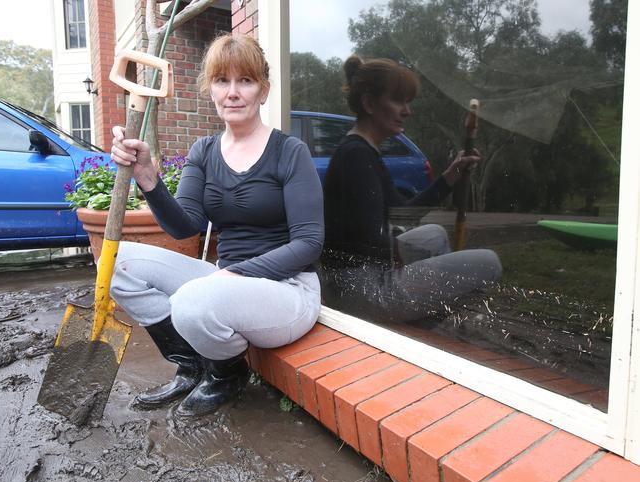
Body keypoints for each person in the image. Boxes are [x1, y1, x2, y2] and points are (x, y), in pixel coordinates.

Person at [108, 34, 323, 416]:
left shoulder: (290, 152)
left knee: (193, 301)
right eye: (222, 81)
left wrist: (234, 274)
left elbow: (309, 242)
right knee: (116, 264)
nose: (233, 93)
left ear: (264, 91)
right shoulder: (204, 152)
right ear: (210, 90)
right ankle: (192, 365)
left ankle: (227, 373)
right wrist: (146, 176)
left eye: (246, 81)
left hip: (288, 289)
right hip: (224, 282)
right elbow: (184, 226)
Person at [321, 55, 501, 323]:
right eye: (398, 100)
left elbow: (402, 214)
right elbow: (367, 243)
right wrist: (423, 261)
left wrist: (450, 176)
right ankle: (421, 323)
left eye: (408, 102)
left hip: (364, 273)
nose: (407, 111)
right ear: (369, 103)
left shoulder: (365, 152)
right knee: (490, 262)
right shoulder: (355, 156)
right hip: (358, 289)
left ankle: (424, 318)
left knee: (435, 234)